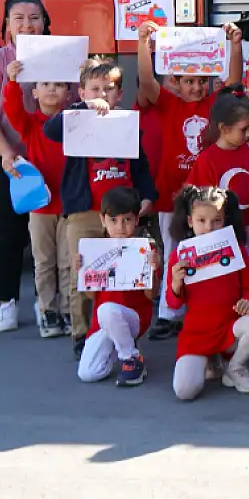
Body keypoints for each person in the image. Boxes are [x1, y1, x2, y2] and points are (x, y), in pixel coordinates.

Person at [137, 19, 244, 341]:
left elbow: (234, 81)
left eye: (201, 81)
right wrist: (143, 45)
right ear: (175, 81)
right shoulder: (168, 103)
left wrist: (235, 45)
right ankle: (169, 313)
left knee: (213, 245)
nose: (195, 87)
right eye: (188, 81)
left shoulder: (215, 105)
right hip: (174, 192)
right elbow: (145, 83)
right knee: (174, 247)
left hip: (210, 195)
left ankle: (213, 307)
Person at [43, 63, 159, 351]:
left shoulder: (126, 124)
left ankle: (124, 325)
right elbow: (50, 129)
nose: (102, 94)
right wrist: (83, 107)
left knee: (127, 272)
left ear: (119, 94)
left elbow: (141, 166)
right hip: (86, 213)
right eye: (94, 89)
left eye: (108, 89)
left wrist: (146, 195)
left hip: (123, 217)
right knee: (82, 273)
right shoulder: (75, 119)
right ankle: (83, 334)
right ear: (81, 92)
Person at [0, 0, 57, 332]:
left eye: (34, 17)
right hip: (4, 158)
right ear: (7, 26)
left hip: (50, 156)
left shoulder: (60, 58)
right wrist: (7, 152)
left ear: (45, 22)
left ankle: (47, 301)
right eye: (19, 18)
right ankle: (7, 301)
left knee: (48, 235)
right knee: (8, 231)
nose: (27, 24)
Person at [164, 186, 249, 400]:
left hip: (229, 329)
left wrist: (248, 302)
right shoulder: (180, 255)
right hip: (197, 335)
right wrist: (176, 282)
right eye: (201, 220)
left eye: (217, 220)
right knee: (185, 391)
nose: (209, 227)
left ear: (225, 221)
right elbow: (173, 305)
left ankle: (235, 367)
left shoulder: (236, 250)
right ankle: (213, 360)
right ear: (189, 221)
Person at [188, 89, 249, 317]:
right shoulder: (208, 159)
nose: (248, 134)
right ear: (224, 128)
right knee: (232, 279)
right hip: (224, 233)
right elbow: (198, 199)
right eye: (243, 130)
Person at [1, 55, 71, 338]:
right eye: (45, 84)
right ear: (35, 92)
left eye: (58, 84)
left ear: (69, 92)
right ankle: (47, 310)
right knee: (44, 262)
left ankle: (68, 309)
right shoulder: (30, 124)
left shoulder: (74, 122)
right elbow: (12, 109)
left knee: (68, 261)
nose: (52, 89)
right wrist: (12, 80)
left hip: (69, 202)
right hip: (40, 204)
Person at [73, 188, 160, 386]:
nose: (120, 227)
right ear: (102, 220)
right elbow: (90, 295)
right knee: (88, 373)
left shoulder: (145, 248)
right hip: (103, 320)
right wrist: (83, 272)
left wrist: (153, 270)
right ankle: (121, 345)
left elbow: (151, 295)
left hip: (134, 316)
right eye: (113, 220)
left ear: (136, 220)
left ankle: (131, 357)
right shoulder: (95, 250)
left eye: (127, 220)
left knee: (108, 309)